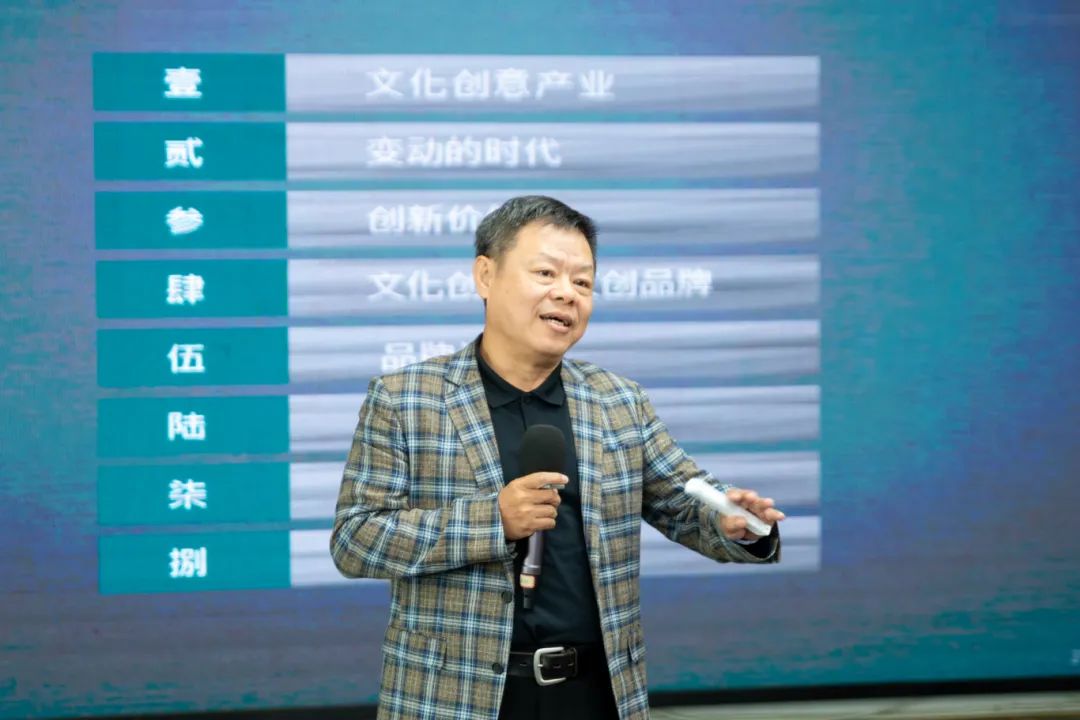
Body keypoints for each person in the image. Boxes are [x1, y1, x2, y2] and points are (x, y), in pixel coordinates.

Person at [331, 195, 785, 720]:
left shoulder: (618, 401)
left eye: (583, 282)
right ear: (485, 276)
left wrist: (735, 524)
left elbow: (684, 503)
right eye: (546, 273)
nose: (567, 293)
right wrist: (494, 520)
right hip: (455, 697)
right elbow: (356, 539)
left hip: (594, 693)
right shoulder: (406, 398)